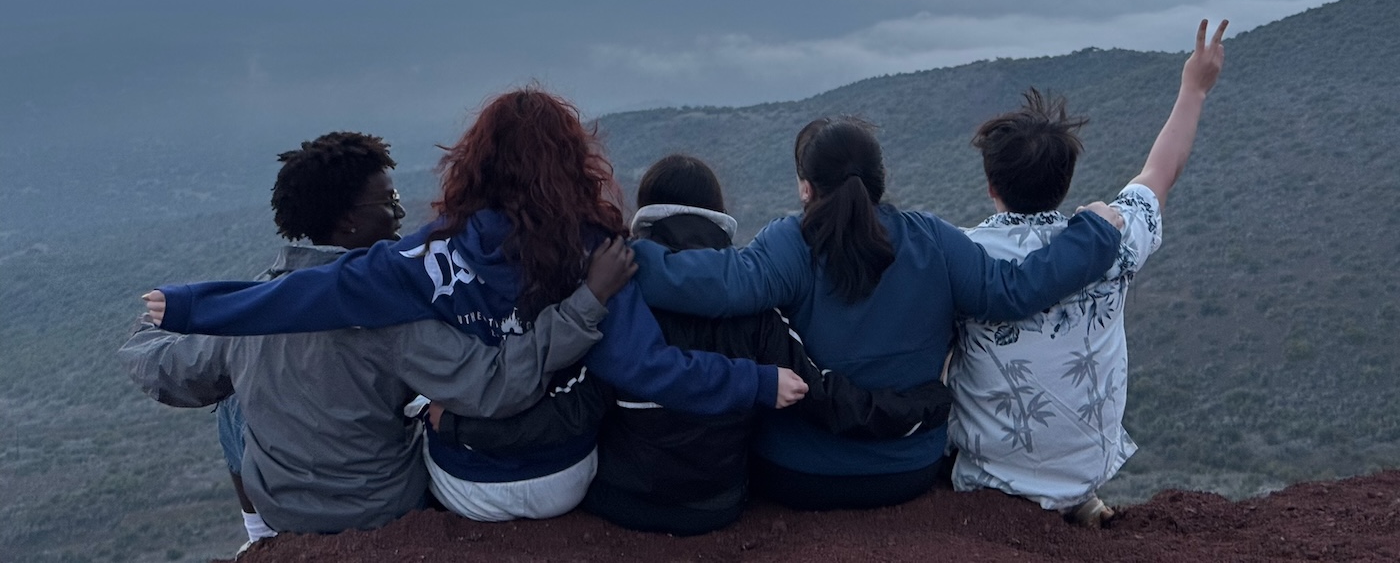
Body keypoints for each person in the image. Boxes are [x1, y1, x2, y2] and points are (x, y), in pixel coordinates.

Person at [143, 89, 807, 523]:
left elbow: (311, 291)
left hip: (467, 488)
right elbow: (642, 367)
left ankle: (259, 531)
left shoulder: (429, 255)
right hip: (568, 478)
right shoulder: (597, 250)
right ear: (574, 160)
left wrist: (187, 307)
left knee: (312, 401)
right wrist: (756, 380)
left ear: (474, 163)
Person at [121, 131, 633, 540]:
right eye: (387, 201)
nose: (400, 214)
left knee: (230, 401)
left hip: (284, 507)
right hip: (383, 507)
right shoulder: (394, 313)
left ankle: (257, 534)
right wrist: (584, 305)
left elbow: (169, 375)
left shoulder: (254, 307)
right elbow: (496, 386)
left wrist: (153, 322)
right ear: (347, 223)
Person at [433, 153, 956, 535]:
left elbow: (569, 414)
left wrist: (455, 425)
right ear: (719, 214)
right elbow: (820, 397)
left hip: (624, 503)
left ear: (646, 216)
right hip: (721, 505)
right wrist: (924, 405)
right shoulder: (756, 306)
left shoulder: (614, 295)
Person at [630, 117, 1125, 511]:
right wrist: (1095, 233)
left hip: (796, 473)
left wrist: (622, 254)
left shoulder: (791, 242)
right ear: (881, 180)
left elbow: (717, 285)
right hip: (904, 469)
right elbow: (1015, 290)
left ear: (806, 188)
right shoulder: (932, 240)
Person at [946, 19, 1228, 525]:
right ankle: (1078, 502)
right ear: (1065, 179)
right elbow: (1160, 172)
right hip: (1083, 470)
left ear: (992, 184)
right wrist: (1194, 88)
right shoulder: (1111, 238)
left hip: (989, 483)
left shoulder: (963, 255)